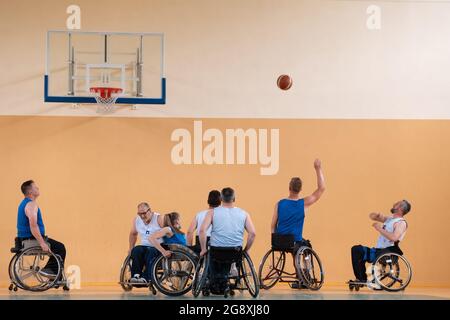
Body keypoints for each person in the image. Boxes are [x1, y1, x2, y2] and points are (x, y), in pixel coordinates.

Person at [270, 159, 326, 288]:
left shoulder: (279, 204)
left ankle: (300, 274)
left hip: (280, 241)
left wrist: (274, 239)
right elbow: (321, 188)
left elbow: (272, 225)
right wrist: (318, 169)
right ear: (300, 189)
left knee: (295, 247)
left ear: (289, 188)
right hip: (295, 242)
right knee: (306, 248)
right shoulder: (303, 203)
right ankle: (305, 275)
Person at [199, 187, 257, 294]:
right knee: (227, 260)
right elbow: (253, 233)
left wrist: (203, 249)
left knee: (209, 253)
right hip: (235, 252)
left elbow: (202, 231)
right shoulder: (244, 213)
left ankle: (215, 281)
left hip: (216, 251)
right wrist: (246, 249)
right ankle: (223, 280)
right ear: (234, 198)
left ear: (221, 198)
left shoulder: (212, 212)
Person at [350, 200, 411, 289]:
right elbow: (372, 216)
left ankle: (362, 279)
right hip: (379, 251)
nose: (394, 203)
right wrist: (376, 215)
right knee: (356, 249)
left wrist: (379, 228)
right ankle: (361, 279)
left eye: (396, 204)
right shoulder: (390, 219)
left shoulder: (401, 223)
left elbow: (394, 238)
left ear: (400, 208)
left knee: (362, 253)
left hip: (388, 252)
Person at [17, 180, 66, 278]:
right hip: (31, 239)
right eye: (35, 187)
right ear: (30, 192)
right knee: (60, 248)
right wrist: (42, 242)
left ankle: (53, 275)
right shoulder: (31, 205)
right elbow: (33, 226)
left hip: (24, 239)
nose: (38, 188)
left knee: (57, 247)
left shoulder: (24, 203)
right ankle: (50, 271)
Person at [128, 202, 164, 284]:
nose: (142, 216)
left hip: (157, 247)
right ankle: (136, 275)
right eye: (140, 214)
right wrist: (130, 248)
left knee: (151, 251)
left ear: (149, 210)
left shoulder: (159, 218)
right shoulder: (137, 220)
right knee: (136, 250)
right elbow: (133, 234)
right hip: (144, 246)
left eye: (144, 213)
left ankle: (146, 277)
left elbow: (168, 232)